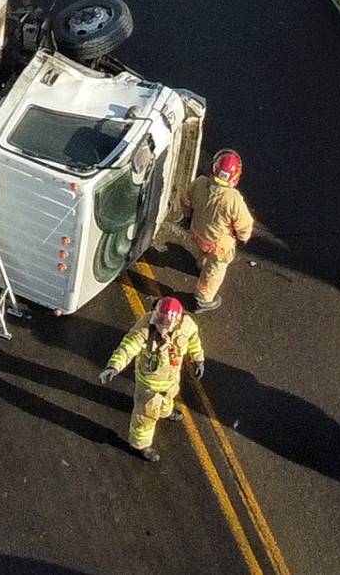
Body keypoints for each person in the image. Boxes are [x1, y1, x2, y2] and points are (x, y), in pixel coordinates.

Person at [99, 295, 205, 463]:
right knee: (145, 416)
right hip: (148, 386)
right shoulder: (145, 328)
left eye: (166, 323)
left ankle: (165, 412)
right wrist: (114, 366)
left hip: (170, 381)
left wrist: (198, 358)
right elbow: (128, 347)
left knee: (168, 398)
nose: (162, 327)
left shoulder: (187, 326)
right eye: (159, 320)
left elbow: (193, 341)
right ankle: (139, 445)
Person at [162, 150, 255, 311]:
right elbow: (245, 225)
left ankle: (201, 264)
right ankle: (203, 299)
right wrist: (243, 237)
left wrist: (187, 215)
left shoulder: (200, 182)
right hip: (218, 245)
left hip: (197, 232)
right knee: (214, 272)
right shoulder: (233, 199)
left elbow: (185, 199)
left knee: (202, 255)